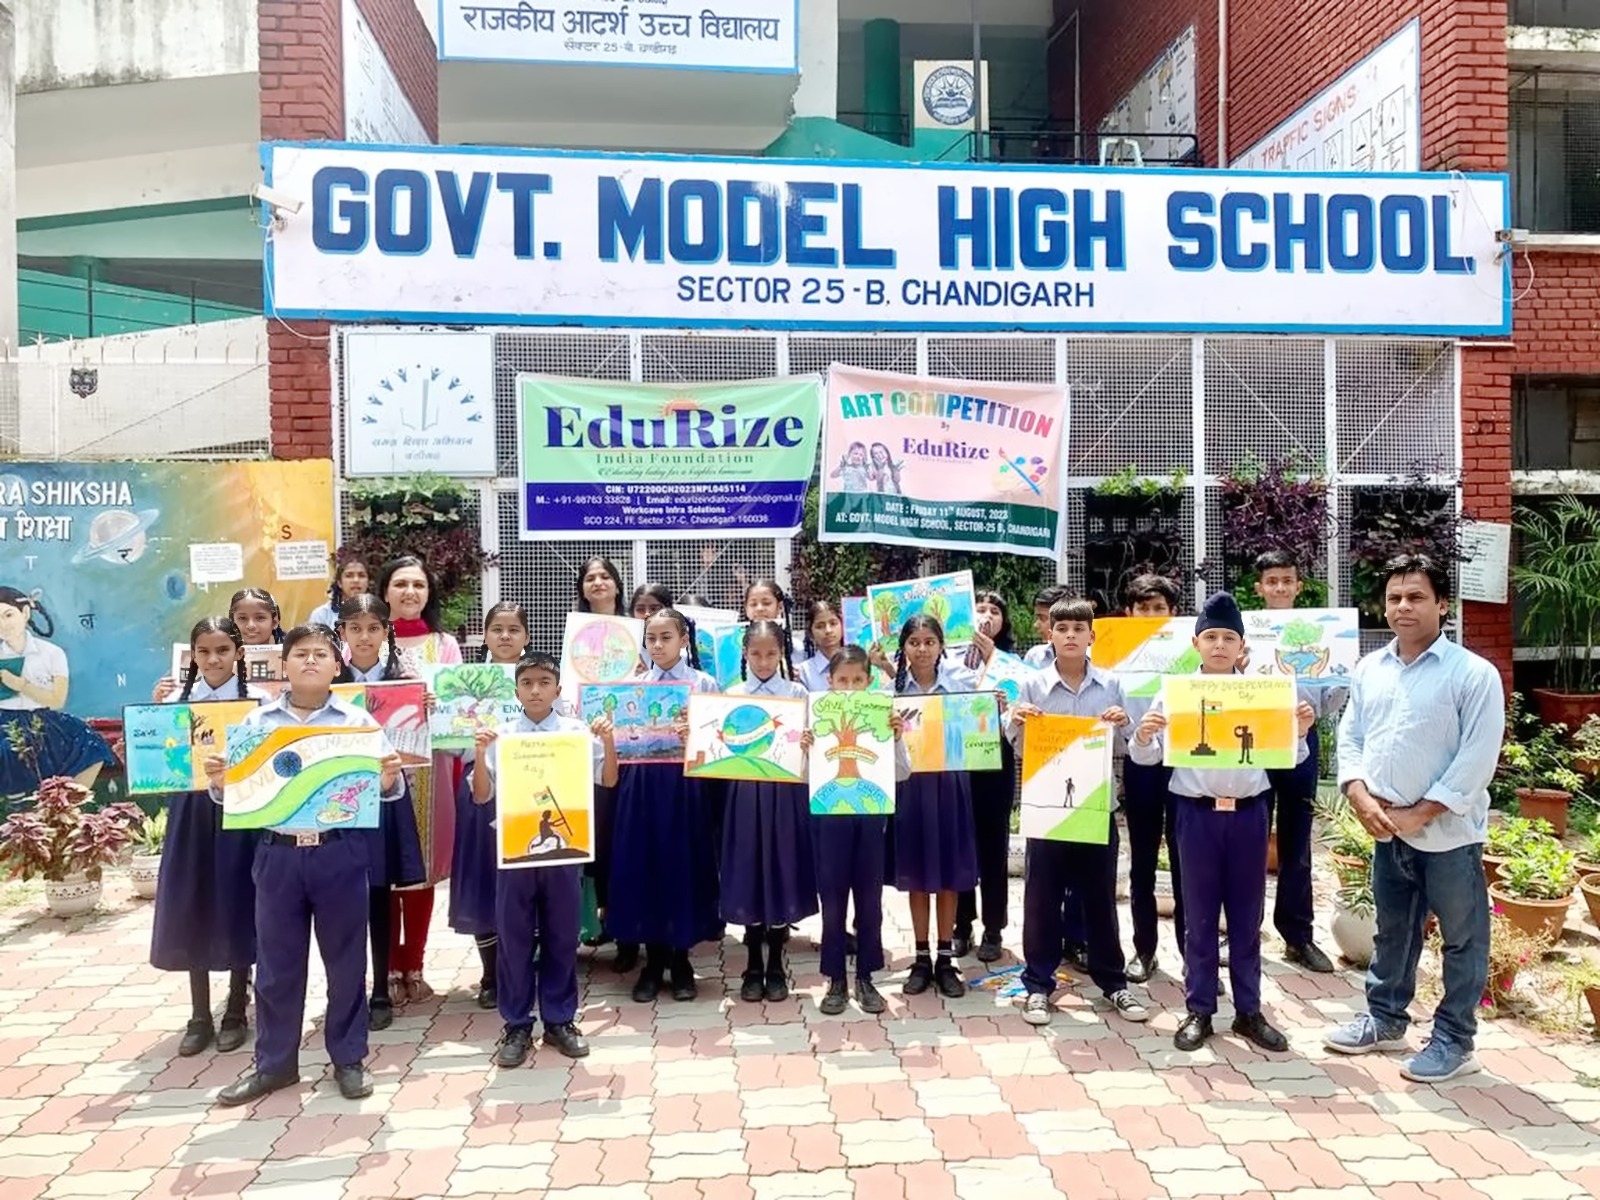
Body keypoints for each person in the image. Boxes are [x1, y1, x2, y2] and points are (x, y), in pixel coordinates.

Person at [206, 623, 405, 1105]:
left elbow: (388, 790)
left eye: (321, 653)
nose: (310, 660)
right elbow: (231, 796)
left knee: (346, 962)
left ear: (337, 666)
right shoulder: (258, 723)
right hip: (277, 855)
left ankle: (349, 1059)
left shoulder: (357, 723)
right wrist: (220, 781)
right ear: (284, 665)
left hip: (339, 853)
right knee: (277, 965)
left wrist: (386, 778)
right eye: (300, 654)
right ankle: (275, 1065)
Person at [1324, 554, 1504, 1083]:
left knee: (1462, 939)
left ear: (1443, 605)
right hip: (1387, 831)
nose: (1403, 606)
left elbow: (1477, 758)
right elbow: (1352, 737)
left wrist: (1421, 813)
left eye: (1416, 596)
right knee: (1393, 932)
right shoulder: (1370, 669)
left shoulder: (1473, 674)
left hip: (1448, 837)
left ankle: (1454, 1040)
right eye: (1394, 597)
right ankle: (1385, 1019)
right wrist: (1360, 795)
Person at [1131, 591, 1315, 1053]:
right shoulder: (1176, 693)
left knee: (1247, 917)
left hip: (1250, 814)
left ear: (1241, 646)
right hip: (1196, 814)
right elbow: (1148, 756)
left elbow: (1290, 757)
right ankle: (1200, 1009)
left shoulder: (1263, 694)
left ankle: (1249, 1011)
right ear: (1195, 644)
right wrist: (1145, 735)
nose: (1219, 645)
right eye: (1210, 637)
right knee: (1198, 915)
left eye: (1228, 638)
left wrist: (1299, 731)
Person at [1007, 598, 1148, 1026]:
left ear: (1092, 636)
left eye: (1078, 629)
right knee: (1041, 899)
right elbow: (1017, 746)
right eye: (1062, 628)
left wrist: (1124, 723)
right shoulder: (1033, 686)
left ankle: (1113, 983)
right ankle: (1038, 985)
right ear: (1049, 635)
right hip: (1047, 809)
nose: (1070, 636)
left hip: (1095, 806)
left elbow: (1130, 747)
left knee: (1100, 898)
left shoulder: (1112, 685)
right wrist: (1017, 721)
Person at [473, 652, 618, 1067]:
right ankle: (517, 1023)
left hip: (565, 855)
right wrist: (479, 752)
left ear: (557, 689)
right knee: (514, 937)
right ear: (516, 690)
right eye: (527, 683)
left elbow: (608, 779)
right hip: (515, 852)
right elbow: (481, 795)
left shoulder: (576, 733)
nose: (535, 690)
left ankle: (559, 1019)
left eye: (544, 683)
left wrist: (608, 741)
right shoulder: (502, 736)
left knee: (562, 935)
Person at [149, 617, 269, 1056]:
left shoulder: (259, 703)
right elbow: (158, 761)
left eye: (222, 650)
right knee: (192, 899)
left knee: (240, 898)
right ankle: (200, 1014)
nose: (213, 659)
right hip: (192, 814)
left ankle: (237, 1007)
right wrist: (154, 720)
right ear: (192, 657)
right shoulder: (176, 702)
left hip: (241, 815)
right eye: (204, 652)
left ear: (239, 653)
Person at [608, 608, 720, 1002]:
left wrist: (697, 734)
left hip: (686, 789)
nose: (657, 645)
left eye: (666, 637)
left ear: (684, 640)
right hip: (641, 789)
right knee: (646, 868)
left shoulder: (704, 684)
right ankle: (653, 962)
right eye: (651, 638)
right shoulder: (634, 686)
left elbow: (719, 741)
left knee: (682, 867)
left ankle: (682, 960)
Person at [336, 594, 427, 1031]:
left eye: (373, 628)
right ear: (342, 633)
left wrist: (427, 709)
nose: (364, 637)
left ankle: (379, 989)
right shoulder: (329, 680)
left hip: (386, 797)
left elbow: (419, 738)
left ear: (386, 632)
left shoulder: (403, 679)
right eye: (355, 628)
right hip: (337, 798)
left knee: (380, 891)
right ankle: (347, 989)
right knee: (342, 896)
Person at [378, 555, 463, 1003]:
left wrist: (438, 702)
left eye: (418, 584)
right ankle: (389, 968)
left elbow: (459, 708)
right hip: (380, 771)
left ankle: (415, 964)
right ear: (385, 591)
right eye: (401, 584)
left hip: (432, 769)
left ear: (429, 593)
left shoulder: (444, 645)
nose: (410, 592)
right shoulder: (368, 639)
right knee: (385, 868)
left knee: (423, 869)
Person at [1253, 549, 1341, 974]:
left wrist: (1318, 709)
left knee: (1297, 839)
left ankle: (1298, 935)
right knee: (1249, 837)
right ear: (1259, 588)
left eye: (1287, 580)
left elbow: (1333, 693)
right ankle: (1243, 930)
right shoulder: (1246, 633)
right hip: (1251, 742)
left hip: (1301, 741)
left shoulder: (1321, 635)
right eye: (1272, 581)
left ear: (1298, 586)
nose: (1280, 588)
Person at [720, 621, 816, 1003]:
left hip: (785, 795)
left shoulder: (797, 694)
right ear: (745, 653)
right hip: (744, 796)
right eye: (756, 653)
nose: (763, 661)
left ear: (782, 654)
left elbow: (810, 748)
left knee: (780, 869)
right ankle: (752, 963)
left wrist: (807, 743)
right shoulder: (732, 695)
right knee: (749, 871)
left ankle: (776, 961)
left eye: (771, 653)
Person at [811, 646, 908, 1015]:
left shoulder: (882, 717)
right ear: (830, 682)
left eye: (857, 680)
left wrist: (895, 738)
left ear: (869, 681)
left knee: (869, 901)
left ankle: (866, 976)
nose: (850, 687)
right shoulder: (817, 720)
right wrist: (806, 749)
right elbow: (804, 778)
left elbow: (903, 772)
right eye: (842, 680)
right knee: (832, 901)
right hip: (829, 820)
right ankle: (835, 979)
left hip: (870, 819)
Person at [893, 615, 980, 998]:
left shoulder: (961, 685)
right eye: (914, 642)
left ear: (942, 646)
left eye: (930, 641)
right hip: (911, 789)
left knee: (948, 874)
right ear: (904, 647)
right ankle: (921, 958)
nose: (922, 649)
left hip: (951, 786)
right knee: (917, 874)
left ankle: (945, 959)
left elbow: (980, 732)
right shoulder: (891, 692)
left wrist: (990, 708)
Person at [1120, 573, 1185, 984]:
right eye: (1143, 608)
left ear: (1173, 613)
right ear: (1129, 613)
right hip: (1140, 762)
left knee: (1186, 862)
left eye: (1159, 608)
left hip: (1186, 765)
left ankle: (1193, 955)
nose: (1151, 615)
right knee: (1142, 861)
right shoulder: (1114, 654)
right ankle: (1144, 951)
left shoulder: (1192, 651)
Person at [0, 586, 117, 792]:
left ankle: (63, 804)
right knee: (9, 751)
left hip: (44, 720)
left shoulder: (51, 653)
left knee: (90, 743)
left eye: (8, 615)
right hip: (5, 722)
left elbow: (57, 700)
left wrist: (21, 686)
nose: (3, 624)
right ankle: (18, 802)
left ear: (25, 613)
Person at [954, 589, 1019, 963]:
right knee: (960, 843)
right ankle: (961, 924)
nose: (987, 615)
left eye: (995, 610)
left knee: (994, 846)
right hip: (957, 760)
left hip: (996, 761)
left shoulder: (1013, 663)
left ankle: (993, 928)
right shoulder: (950, 659)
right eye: (980, 608)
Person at [308, 558, 371, 629]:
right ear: (340, 583)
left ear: (368, 582)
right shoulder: (321, 615)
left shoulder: (377, 613)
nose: (356, 580)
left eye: (362, 575)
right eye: (349, 575)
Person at [798, 599, 846, 693]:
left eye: (833, 623)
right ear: (810, 633)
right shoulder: (803, 672)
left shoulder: (857, 664)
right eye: (820, 626)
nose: (828, 630)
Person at [1023, 585, 1071, 669]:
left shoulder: (1092, 658)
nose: (1036, 625)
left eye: (1042, 618)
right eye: (1037, 618)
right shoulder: (1034, 657)